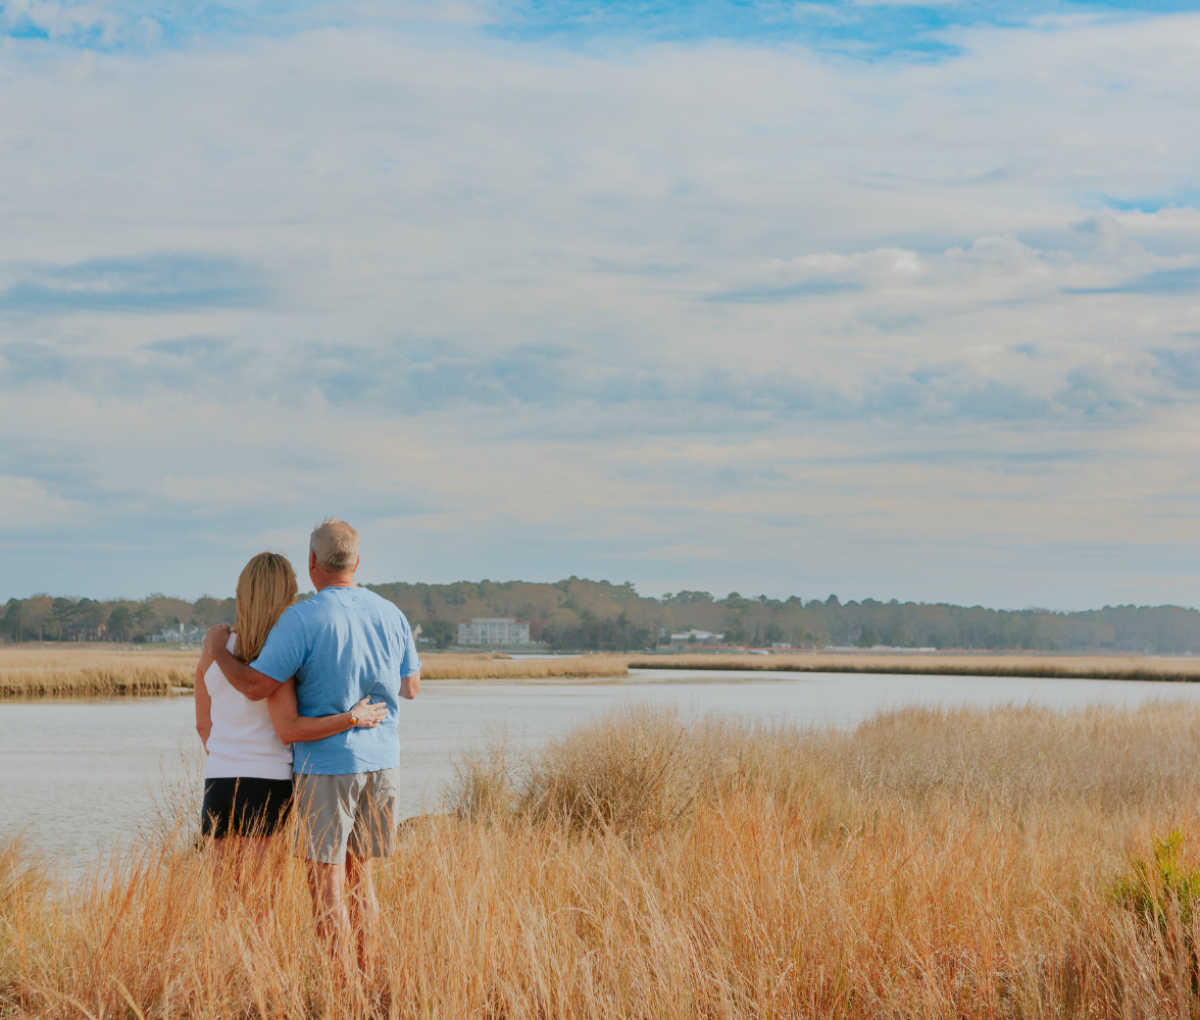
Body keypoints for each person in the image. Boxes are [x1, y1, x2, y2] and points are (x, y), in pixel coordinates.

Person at [202, 518, 421, 970]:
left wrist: (217, 648)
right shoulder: (392, 614)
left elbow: (256, 685)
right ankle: (366, 981)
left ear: (313, 562)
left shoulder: (303, 618)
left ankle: (341, 993)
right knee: (365, 883)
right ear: (357, 561)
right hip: (383, 762)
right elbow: (411, 687)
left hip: (328, 764)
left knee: (327, 886)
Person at [195, 551, 388, 876]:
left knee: (223, 900)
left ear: (243, 592)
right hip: (269, 781)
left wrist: (229, 758)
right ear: (287, 594)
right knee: (262, 903)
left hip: (218, 780)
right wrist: (351, 717)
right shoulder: (283, 650)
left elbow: (203, 726)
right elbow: (292, 723)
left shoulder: (215, 645)